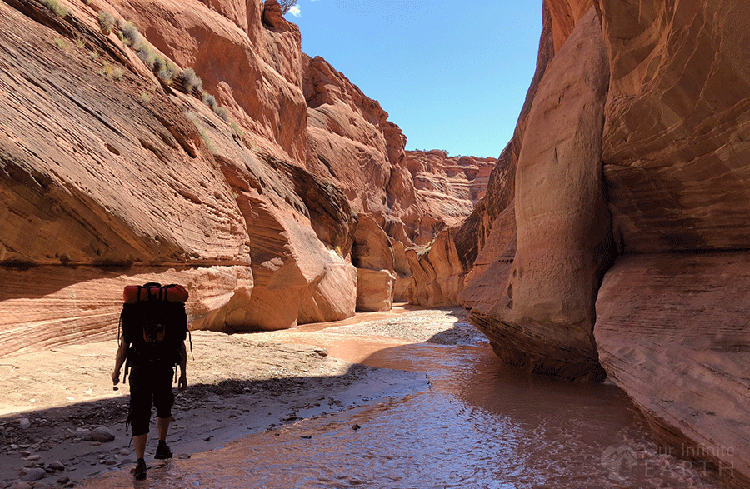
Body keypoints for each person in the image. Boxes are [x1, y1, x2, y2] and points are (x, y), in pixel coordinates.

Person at [112, 316, 187, 480]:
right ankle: (161, 445)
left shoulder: (133, 315)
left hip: (140, 371)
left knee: (139, 414)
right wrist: (183, 374)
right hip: (163, 368)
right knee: (164, 406)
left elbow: (123, 348)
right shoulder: (169, 313)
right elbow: (181, 347)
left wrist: (117, 370)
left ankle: (140, 462)